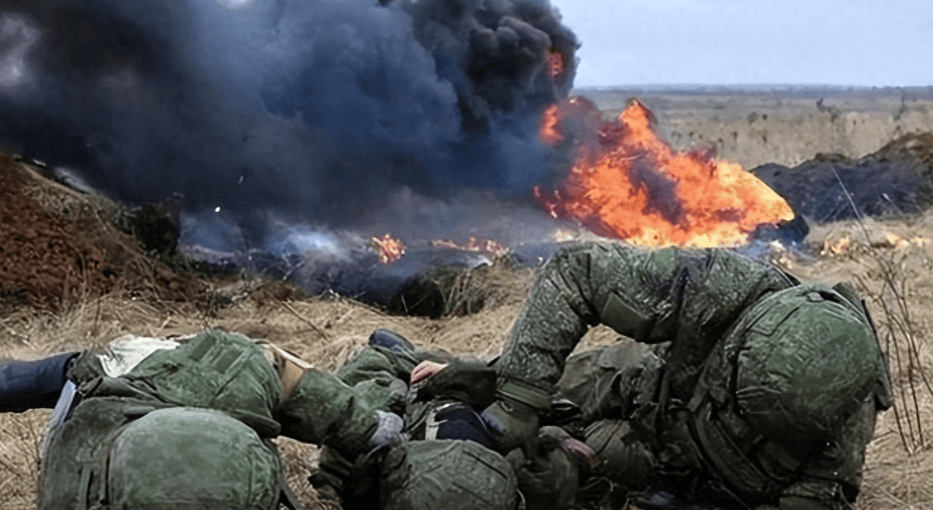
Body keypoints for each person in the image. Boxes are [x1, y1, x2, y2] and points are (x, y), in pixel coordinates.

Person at [482, 242, 892, 510]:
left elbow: (812, 499)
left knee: (546, 476)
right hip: (647, 386)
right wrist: (518, 401)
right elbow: (577, 273)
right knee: (483, 398)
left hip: (692, 475)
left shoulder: (846, 416)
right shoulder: (721, 288)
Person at [0, 329, 404, 510]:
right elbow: (343, 412)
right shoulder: (247, 362)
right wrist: (375, 429)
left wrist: (373, 429)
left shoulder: (246, 364)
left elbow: (342, 411)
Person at [312, 328, 594, 510]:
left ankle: (404, 355)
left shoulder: (378, 452)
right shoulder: (532, 474)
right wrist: (558, 439)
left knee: (381, 367)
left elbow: (349, 414)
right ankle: (411, 358)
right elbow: (554, 404)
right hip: (465, 407)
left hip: (420, 410)